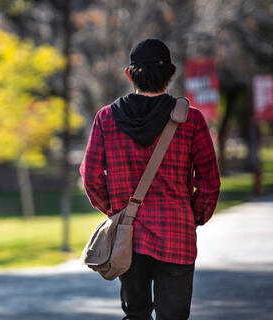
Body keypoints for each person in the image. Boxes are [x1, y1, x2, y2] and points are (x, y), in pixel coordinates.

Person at [79, 39, 221, 320]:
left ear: (129, 74)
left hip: (128, 236)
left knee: (136, 314)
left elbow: (91, 176)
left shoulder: (106, 119)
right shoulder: (190, 120)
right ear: (170, 74)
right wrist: (193, 216)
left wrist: (117, 212)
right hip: (176, 233)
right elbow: (209, 181)